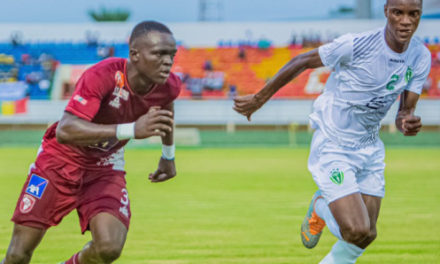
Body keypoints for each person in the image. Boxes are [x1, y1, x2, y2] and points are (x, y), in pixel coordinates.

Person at [233, 0, 430, 263]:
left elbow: (403, 112)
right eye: (398, 13)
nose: (405, 21)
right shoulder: (356, 44)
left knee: (367, 234)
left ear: (420, 15)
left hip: (369, 148)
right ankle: (320, 206)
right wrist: (259, 98)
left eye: (413, 14)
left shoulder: (420, 56)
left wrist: (406, 122)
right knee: (355, 229)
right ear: (386, 12)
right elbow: (302, 60)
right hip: (334, 144)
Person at [1, 21, 181, 264]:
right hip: (58, 162)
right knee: (17, 255)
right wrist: (130, 130)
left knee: (109, 248)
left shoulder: (168, 85)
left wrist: (168, 155)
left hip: (105, 167)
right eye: (159, 54)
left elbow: (166, 107)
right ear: (135, 55)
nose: (168, 61)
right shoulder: (103, 75)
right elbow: (65, 130)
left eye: (171, 54)